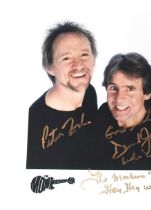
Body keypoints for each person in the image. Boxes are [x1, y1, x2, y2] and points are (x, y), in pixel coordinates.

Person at [26, 21, 98, 169]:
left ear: (94, 60)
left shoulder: (89, 93)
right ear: (50, 67)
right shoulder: (32, 121)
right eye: (66, 58)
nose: (78, 65)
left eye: (84, 55)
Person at [93, 52, 151, 170]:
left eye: (130, 89)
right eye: (113, 88)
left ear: (146, 93)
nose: (119, 98)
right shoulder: (101, 117)